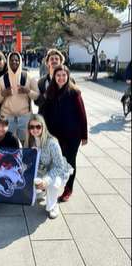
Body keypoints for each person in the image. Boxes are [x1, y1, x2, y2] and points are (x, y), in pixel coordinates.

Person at [43, 64, 88, 202]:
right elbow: (46, 115)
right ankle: (54, 184)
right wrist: (46, 134)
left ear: (68, 76)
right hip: (56, 135)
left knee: (70, 161)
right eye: (58, 75)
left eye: (64, 75)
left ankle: (69, 187)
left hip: (73, 134)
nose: (61, 78)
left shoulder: (74, 93)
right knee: (56, 160)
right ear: (54, 77)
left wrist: (84, 135)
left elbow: (82, 115)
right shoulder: (50, 93)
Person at [25, 114, 73, 219]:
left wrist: (46, 180)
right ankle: (42, 191)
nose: (35, 129)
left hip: (58, 172)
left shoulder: (51, 142)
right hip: (42, 170)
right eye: (32, 127)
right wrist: (31, 155)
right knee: (24, 177)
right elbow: (26, 162)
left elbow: (59, 166)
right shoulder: (29, 141)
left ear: (43, 127)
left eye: (38, 126)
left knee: (52, 185)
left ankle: (53, 205)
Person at [0, 51, 40, 145]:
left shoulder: (29, 77)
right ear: (8, 62)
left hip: (25, 116)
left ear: (20, 61)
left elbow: (37, 95)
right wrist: (2, 94)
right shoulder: (2, 79)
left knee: (25, 143)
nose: (14, 62)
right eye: (11, 60)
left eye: (16, 60)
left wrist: (28, 92)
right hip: (7, 117)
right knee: (7, 144)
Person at [35, 49, 75, 116]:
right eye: (52, 59)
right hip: (46, 118)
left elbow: (74, 101)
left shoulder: (69, 81)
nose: (54, 61)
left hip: (63, 118)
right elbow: (36, 102)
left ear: (60, 62)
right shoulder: (41, 82)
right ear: (47, 62)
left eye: (56, 59)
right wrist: (45, 96)